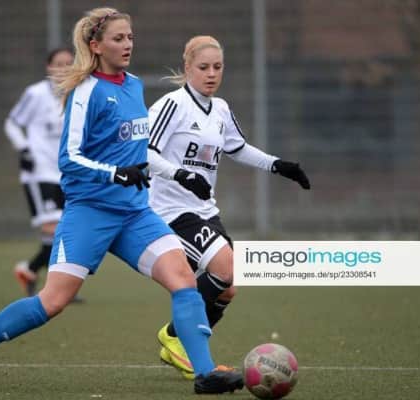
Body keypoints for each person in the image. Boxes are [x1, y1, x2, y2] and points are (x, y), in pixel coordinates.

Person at [0, 8, 243, 395]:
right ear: (96, 46)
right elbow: (69, 158)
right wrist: (115, 173)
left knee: (183, 279)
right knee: (52, 302)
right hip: (90, 213)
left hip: (135, 213)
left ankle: (204, 373)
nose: (128, 44)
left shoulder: (133, 85)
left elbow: (139, 149)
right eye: (118, 38)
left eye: (130, 37)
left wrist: (168, 172)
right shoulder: (85, 91)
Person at [146, 35, 310, 379]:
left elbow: (238, 148)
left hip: (205, 211)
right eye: (203, 67)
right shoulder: (172, 105)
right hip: (170, 212)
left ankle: (177, 342)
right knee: (226, 268)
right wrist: (181, 174)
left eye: (217, 67)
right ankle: (177, 340)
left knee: (228, 288)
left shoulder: (220, 109)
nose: (211, 74)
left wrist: (278, 165)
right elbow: (143, 152)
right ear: (187, 67)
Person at [5, 48, 79, 298]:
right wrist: (24, 149)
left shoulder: (78, 95)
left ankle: (31, 270)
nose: (63, 69)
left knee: (67, 229)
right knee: (55, 229)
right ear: (48, 68)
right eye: (58, 64)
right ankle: (56, 286)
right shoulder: (35, 94)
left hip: (67, 174)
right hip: (40, 173)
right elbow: (12, 123)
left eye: (68, 64)